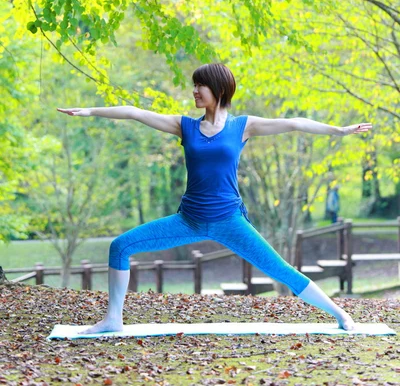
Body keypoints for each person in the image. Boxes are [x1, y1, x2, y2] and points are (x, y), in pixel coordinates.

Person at [57, 62, 372, 333]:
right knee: (120, 246)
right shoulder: (185, 127)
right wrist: (89, 111)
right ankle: (113, 319)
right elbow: (135, 113)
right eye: (193, 86)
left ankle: (340, 314)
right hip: (189, 220)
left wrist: (338, 131)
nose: (194, 91)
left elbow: (294, 124)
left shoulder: (242, 126)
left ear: (218, 89)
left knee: (281, 270)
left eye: (200, 85)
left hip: (229, 221)